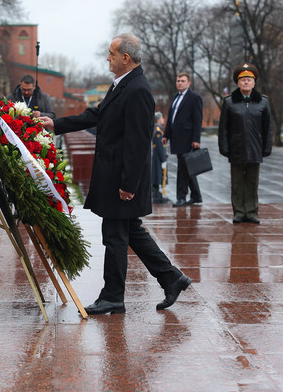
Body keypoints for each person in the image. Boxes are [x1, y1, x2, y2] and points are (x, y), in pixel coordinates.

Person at [40, 34, 191, 315]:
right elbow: (96, 115)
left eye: (112, 53)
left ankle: (113, 296)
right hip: (114, 176)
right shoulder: (122, 85)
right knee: (128, 232)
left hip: (122, 179)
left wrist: (128, 184)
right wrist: (55, 124)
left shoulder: (138, 90)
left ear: (126, 58)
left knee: (115, 236)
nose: (107, 57)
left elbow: (137, 142)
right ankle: (171, 278)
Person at [218, 63, 272, 224]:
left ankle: (252, 212)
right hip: (236, 149)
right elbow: (223, 128)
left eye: (249, 79)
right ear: (238, 83)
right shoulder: (229, 102)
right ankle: (239, 212)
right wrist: (224, 147)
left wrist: (266, 147)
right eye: (243, 80)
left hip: (255, 149)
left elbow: (268, 128)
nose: (246, 82)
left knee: (252, 182)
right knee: (237, 183)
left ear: (254, 83)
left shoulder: (263, 102)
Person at [162, 72, 204, 207]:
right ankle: (196, 196)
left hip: (188, 139)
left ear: (189, 83)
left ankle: (181, 197)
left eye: (183, 81)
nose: (179, 83)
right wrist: (166, 135)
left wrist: (196, 139)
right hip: (176, 138)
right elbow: (171, 118)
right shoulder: (175, 97)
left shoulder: (194, 98)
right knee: (188, 168)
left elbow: (198, 120)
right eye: (178, 80)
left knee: (183, 169)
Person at [151, 112, 170, 204]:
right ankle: (156, 193)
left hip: (157, 156)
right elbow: (159, 146)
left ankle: (156, 191)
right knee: (158, 175)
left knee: (157, 174)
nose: (163, 119)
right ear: (158, 119)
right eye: (162, 118)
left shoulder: (157, 128)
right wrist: (163, 159)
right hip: (158, 157)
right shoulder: (158, 130)